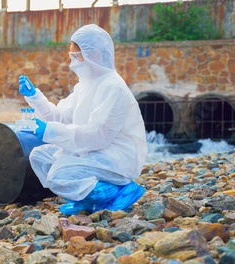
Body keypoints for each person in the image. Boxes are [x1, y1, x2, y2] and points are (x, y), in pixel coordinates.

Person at [18, 24, 148, 215]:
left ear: (93, 54)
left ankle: (119, 191)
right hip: (93, 150)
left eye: (75, 57)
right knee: (39, 156)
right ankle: (87, 199)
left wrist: (49, 131)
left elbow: (98, 136)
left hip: (115, 156)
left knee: (58, 176)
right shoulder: (85, 86)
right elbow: (61, 118)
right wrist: (35, 98)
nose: (72, 63)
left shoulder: (113, 87)